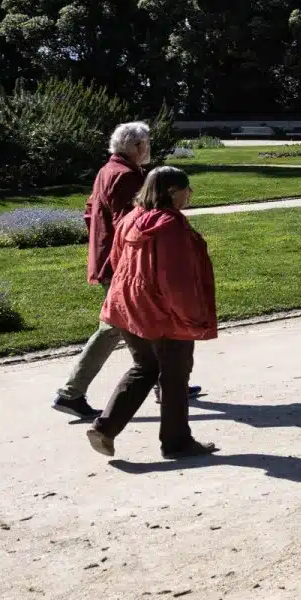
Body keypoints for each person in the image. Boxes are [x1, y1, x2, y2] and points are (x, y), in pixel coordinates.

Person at [53, 121, 201, 417]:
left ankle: (168, 385)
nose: (148, 149)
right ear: (135, 147)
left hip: (110, 258)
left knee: (133, 323)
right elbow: (132, 224)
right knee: (123, 325)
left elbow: (91, 211)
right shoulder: (126, 177)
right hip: (122, 263)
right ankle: (71, 393)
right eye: (145, 144)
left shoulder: (108, 170)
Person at [85, 166, 219, 459]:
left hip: (127, 308)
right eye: (187, 188)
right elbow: (177, 280)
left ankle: (105, 428)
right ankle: (177, 443)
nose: (190, 194)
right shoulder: (171, 226)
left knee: (145, 368)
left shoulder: (130, 219)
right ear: (172, 192)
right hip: (162, 313)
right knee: (174, 375)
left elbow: (118, 261)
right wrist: (192, 318)